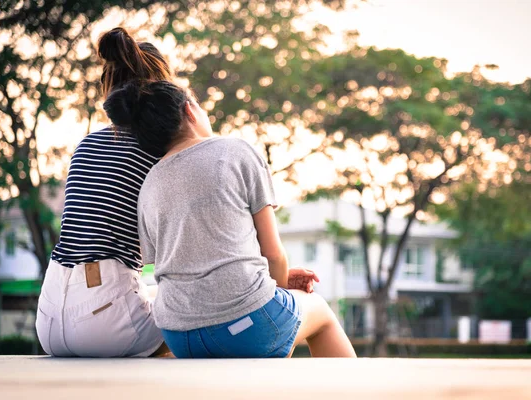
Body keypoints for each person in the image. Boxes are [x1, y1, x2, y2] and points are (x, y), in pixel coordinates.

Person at [104, 80, 357, 358]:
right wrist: (276, 290)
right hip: (247, 326)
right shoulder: (235, 151)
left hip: (179, 337)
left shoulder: (149, 185)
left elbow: (176, 264)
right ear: (190, 110)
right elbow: (273, 255)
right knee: (320, 312)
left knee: (272, 319)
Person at [35, 28, 172, 357]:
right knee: (198, 323)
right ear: (166, 89)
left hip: (49, 319)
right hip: (105, 320)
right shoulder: (158, 150)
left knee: (151, 294)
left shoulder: (86, 144)